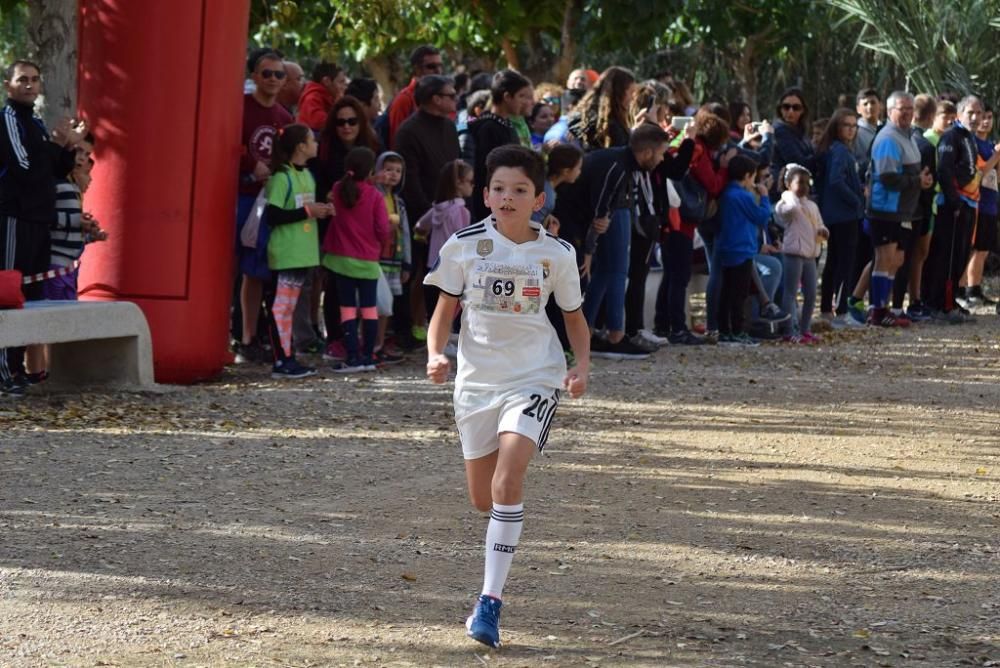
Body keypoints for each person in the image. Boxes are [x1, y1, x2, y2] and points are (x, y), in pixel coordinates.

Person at [424, 145, 590, 650]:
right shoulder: (463, 245)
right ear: (485, 194)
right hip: (476, 384)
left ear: (538, 199)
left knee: (508, 476)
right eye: (499, 188)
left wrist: (581, 365)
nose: (507, 197)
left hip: (536, 378)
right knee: (484, 498)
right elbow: (444, 312)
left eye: (520, 190)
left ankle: (489, 602)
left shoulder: (556, 255)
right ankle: (499, 530)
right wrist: (435, 353)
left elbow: (574, 320)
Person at [1, 59, 86, 396]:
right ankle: (4, 370)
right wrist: (54, 147)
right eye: (22, 79)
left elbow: (53, 169)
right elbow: (23, 167)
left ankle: (18, 367)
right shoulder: (7, 119)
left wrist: (69, 144)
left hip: (40, 222)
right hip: (14, 219)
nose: (29, 85)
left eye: (35, 80)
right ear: (8, 84)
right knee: (7, 293)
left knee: (32, 296)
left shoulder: (35, 123)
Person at [578, 124, 671, 359]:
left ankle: (588, 330)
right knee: (618, 270)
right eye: (660, 154)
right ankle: (615, 334)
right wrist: (591, 240)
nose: (661, 160)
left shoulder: (619, 160)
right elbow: (602, 200)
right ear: (648, 152)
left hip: (606, 212)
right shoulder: (619, 165)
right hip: (609, 213)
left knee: (607, 272)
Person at [234, 50, 293, 363]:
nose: (272, 79)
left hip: (270, 201)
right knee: (235, 268)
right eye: (266, 73)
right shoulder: (239, 109)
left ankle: (254, 336)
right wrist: (248, 162)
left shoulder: (284, 117)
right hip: (240, 196)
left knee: (259, 270)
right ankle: (237, 335)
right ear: (254, 76)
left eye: (278, 74)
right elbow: (227, 143)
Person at [263, 123, 332, 379]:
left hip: (302, 253)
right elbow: (273, 214)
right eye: (311, 140)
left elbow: (305, 209)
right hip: (285, 253)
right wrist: (307, 211)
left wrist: (321, 210)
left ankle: (288, 357)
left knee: (287, 309)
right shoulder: (281, 176)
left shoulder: (306, 174)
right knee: (279, 309)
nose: (316, 144)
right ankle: (281, 361)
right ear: (301, 146)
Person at [394, 74, 461, 341]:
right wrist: (430, 214)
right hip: (420, 216)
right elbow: (410, 178)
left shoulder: (449, 127)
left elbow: (455, 168)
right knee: (413, 272)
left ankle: (438, 327)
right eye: (450, 95)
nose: (455, 99)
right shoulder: (409, 131)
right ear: (435, 99)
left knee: (442, 273)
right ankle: (404, 329)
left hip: (449, 212)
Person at [661, 110, 733, 345]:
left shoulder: (679, 142)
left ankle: (663, 324)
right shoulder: (697, 149)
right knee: (679, 276)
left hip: (670, 216)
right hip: (683, 220)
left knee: (671, 275)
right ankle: (678, 329)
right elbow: (712, 185)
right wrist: (723, 168)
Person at [864, 91, 931, 327]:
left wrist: (921, 179)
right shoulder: (888, 138)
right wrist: (917, 182)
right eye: (901, 109)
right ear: (889, 111)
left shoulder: (909, 136)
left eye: (910, 108)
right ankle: (877, 311)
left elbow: (910, 171)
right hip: (885, 210)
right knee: (884, 258)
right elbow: (888, 177)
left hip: (904, 211)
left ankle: (885, 308)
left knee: (898, 258)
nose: (907, 113)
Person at [322, 147, 391, 372]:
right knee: (369, 309)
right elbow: (382, 227)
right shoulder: (375, 196)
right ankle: (367, 355)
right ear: (371, 170)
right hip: (368, 260)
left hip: (341, 259)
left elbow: (348, 188)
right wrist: (385, 244)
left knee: (347, 309)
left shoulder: (338, 189)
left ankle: (351, 356)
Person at [928, 95, 983, 322]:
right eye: (970, 112)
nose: (975, 117)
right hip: (953, 205)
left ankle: (950, 301)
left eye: (978, 113)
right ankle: (939, 305)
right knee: (946, 256)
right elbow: (944, 170)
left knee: (960, 255)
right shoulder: (951, 136)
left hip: (969, 203)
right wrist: (954, 201)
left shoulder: (969, 137)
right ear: (959, 114)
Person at [816, 109, 865, 327]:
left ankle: (828, 309)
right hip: (844, 215)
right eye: (846, 125)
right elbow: (836, 181)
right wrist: (855, 199)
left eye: (854, 126)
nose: (851, 130)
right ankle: (840, 310)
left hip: (836, 214)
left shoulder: (837, 149)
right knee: (844, 263)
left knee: (834, 261)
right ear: (837, 127)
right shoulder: (840, 151)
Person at [716, 154, 772, 345]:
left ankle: (724, 330)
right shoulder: (742, 196)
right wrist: (764, 197)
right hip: (742, 249)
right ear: (747, 176)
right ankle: (738, 330)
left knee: (727, 291)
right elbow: (761, 217)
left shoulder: (727, 193)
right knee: (739, 294)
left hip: (728, 247)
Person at [468, 70, 533, 221]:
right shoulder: (488, 128)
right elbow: (487, 172)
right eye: (521, 96)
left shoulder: (507, 124)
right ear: (507, 97)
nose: (525, 102)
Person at [775, 164, 828, 343]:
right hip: (794, 253)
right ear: (789, 184)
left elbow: (819, 223)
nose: (804, 186)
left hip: (810, 255)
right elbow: (787, 212)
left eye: (807, 182)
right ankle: (788, 329)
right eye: (800, 182)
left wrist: (822, 230)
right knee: (790, 293)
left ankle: (805, 328)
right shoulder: (785, 204)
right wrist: (788, 196)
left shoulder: (812, 205)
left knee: (811, 293)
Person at [416, 159, 473, 318]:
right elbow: (464, 243)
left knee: (433, 312)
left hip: (433, 266)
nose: (473, 185)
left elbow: (419, 226)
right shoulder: (462, 212)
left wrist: (422, 235)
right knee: (447, 313)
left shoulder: (437, 208)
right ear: (458, 183)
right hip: (451, 268)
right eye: (470, 181)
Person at [958, 107, 1000, 308]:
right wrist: (997, 155)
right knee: (975, 248)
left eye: (990, 118)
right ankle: (966, 290)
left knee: (984, 249)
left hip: (991, 203)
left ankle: (975, 288)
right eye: (983, 117)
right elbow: (980, 171)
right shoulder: (972, 143)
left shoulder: (990, 145)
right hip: (977, 203)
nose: (985, 121)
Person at [373, 151, 411, 362]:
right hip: (375, 256)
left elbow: (405, 233)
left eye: (398, 171)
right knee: (372, 302)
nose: (393, 175)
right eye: (388, 169)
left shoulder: (399, 202)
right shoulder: (373, 196)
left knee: (386, 306)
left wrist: (407, 262)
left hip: (393, 259)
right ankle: (369, 342)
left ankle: (379, 342)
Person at [315, 95, 382, 203]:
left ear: (360, 122)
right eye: (340, 122)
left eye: (352, 121)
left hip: (368, 205)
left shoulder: (374, 144)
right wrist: (324, 194)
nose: (346, 126)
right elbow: (314, 180)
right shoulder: (323, 147)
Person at [388, 45, 444, 148]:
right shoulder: (404, 99)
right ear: (417, 69)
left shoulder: (442, 97)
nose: (438, 71)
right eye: (431, 67)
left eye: (440, 66)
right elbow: (396, 142)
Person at [568, 67, 636, 152]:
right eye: (631, 92)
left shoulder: (581, 118)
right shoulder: (612, 129)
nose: (633, 98)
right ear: (620, 93)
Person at [769, 87, 816, 200]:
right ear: (780, 109)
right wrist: (821, 155)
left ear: (803, 110)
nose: (790, 111)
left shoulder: (801, 131)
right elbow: (797, 162)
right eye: (786, 107)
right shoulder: (780, 130)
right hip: (784, 192)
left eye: (796, 108)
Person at [297, 62, 348, 133]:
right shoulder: (312, 99)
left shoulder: (329, 97)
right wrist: (338, 106)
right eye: (341, 82)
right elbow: (321, 123)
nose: (345, 87)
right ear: (326, 81)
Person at [854, 88, 883, 180]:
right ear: (858, 109)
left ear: (881, 106)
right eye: (865, 104)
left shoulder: (887, 130)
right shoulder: (854, 131)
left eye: (873, 102)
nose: (870, 107)